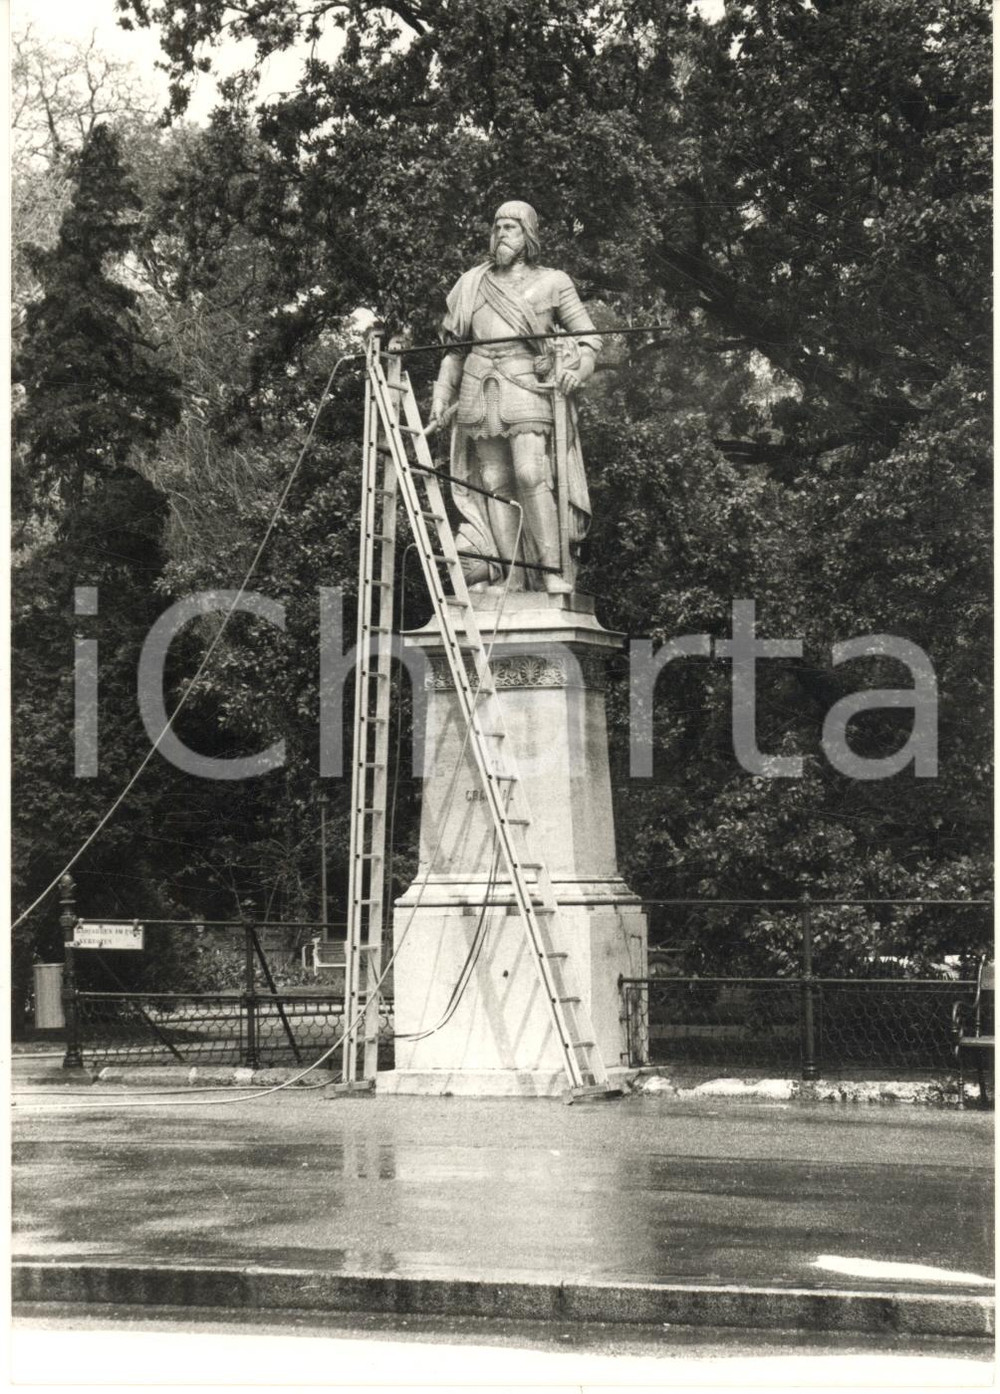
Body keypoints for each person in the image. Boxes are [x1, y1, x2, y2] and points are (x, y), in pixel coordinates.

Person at [427, 201, 601, 594]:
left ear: (528, 235)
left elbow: (589, 339)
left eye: (511, 227)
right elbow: (454, 351)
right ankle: (511, 575)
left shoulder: (554, 281)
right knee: (494, 481)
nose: (501, 233)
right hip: (477, 384)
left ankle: (553, 568)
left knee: (530, 473)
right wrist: (441, 395)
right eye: (497, 226)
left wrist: (577, 370)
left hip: (526, 382)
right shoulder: (471, 282)